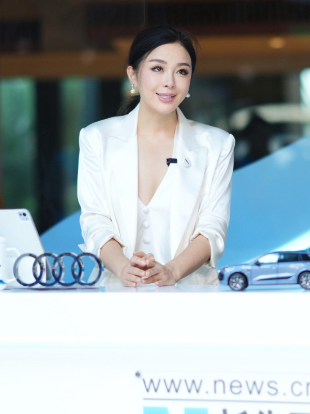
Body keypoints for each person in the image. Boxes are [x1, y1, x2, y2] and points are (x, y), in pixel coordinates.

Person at [78, 27, 235, 287]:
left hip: (192, 294)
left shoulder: (216, 144)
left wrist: (172, 272)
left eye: (181, 71)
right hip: (120, 293)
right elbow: (95, 219)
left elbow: (213, 226)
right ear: (133, 75)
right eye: (158, 68)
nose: (169, 82)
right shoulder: (96, 138)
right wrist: (123, 268)